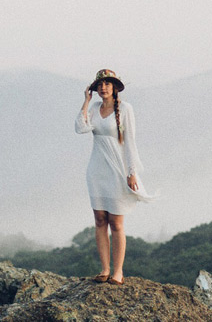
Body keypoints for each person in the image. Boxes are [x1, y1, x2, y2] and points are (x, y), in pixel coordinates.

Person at [75, 68, 153, 285]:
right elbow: (80, 128)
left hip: (117, 169)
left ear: (115, 87)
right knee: (100, 220)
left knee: (116, 222)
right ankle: (105, 269)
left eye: (107, 84)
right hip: (96, 171)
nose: (103, 87)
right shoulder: (93, 108)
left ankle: (118, 272)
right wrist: (85, 101)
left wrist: (131, 172)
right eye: (99, 84)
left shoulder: (126, 109)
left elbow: (130, 142)